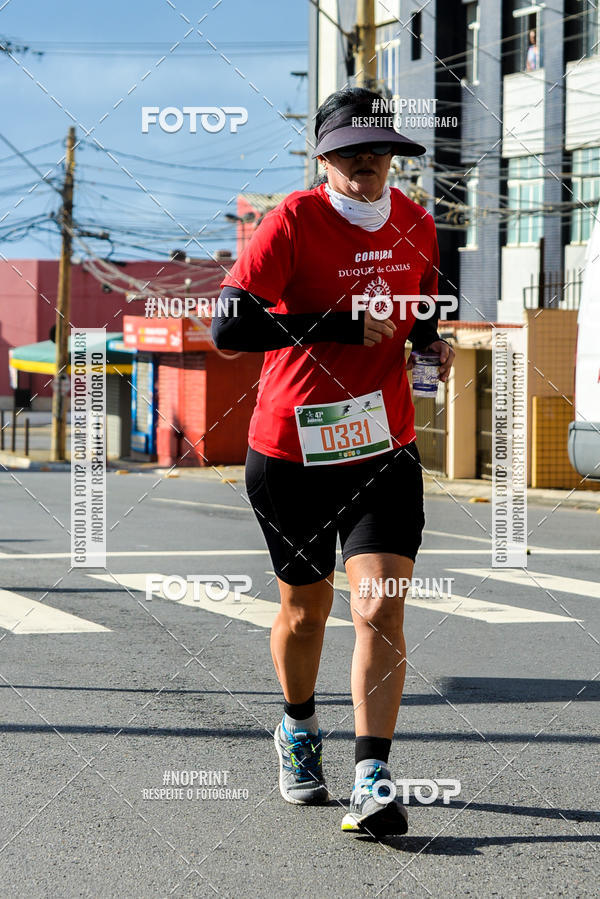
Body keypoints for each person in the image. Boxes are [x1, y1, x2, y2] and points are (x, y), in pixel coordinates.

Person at [212, 86, 455, 836]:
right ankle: (296, 724)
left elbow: (427, 303)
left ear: (394, 156)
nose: (365, 163)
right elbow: (230, 325)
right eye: (349, 151)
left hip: (383, 447)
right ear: (322, 156)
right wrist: (339, 323)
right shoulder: (293, 219)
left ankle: (373, 774)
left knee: (378, 605)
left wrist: (427, 344)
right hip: (291, 448)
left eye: (377, 149)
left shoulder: (417, 222)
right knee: (304, 609)